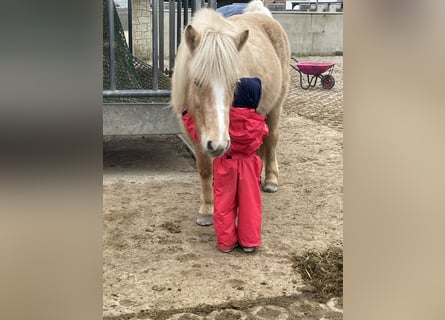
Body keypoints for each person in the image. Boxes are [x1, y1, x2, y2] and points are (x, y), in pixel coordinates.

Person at [181, 77, 269, 253]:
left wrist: (186, 115)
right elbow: (264, 135)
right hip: (250, 166)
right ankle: (249, 242)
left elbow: (196, 132)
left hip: (225, 165)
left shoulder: (224, 121)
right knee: (250, 205)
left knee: (223, 206)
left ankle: (226, 242)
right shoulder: (258, 122)